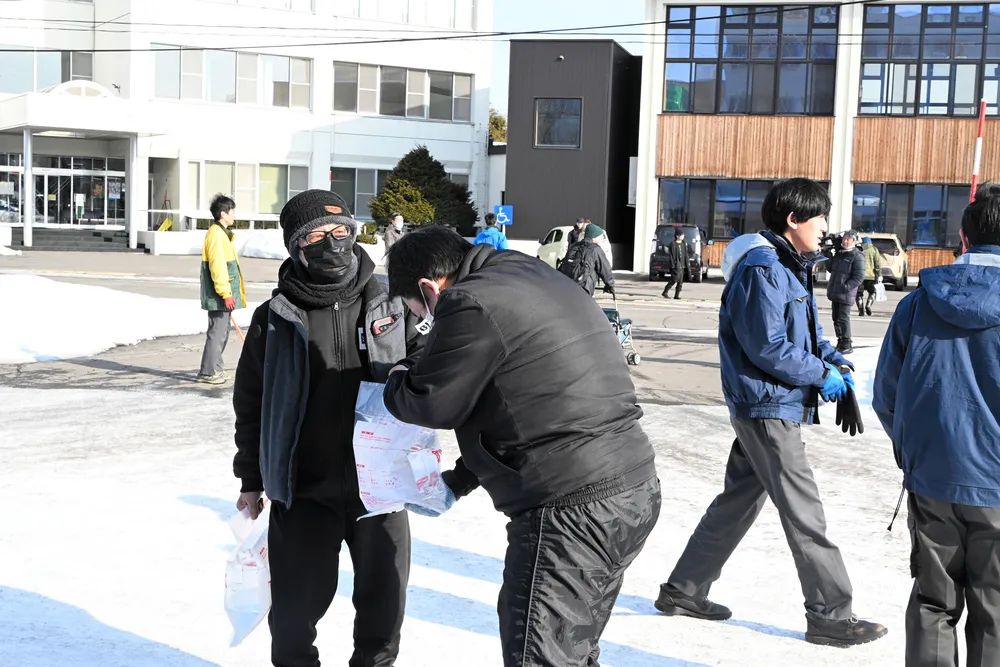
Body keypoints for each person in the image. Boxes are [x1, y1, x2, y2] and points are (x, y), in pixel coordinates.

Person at [381, 227, 660, 667]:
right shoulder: (528, 274)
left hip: (571, 510)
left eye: (417, 312)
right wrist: (459, 479)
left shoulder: (467, 301)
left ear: (428, 289)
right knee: (571, 649)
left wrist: (398, 375)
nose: (423, 324)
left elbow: (433, 402)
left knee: (542, 656)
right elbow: (523, 398)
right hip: (628, 487)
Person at [655, 178, 887, 648]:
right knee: (804, 510)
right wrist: (820, 375)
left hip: (767, 403)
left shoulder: (789, 263)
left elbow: (804, 333)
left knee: (739, 500)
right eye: (819, 217)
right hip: (766, 406)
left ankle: (684, 590)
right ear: (793, 220)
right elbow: (767, 345)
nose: (826, 227)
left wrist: (832, 358)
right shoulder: (764, 268)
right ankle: (830, 614)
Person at [232, 190, 423, 667]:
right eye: (317, 235)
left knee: (383, 617)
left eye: (341, 233)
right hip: (304, 492)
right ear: (296, 246)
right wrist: (251, 479)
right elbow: (251, 404)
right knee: (293, 622)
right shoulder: (274, 318)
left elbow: (433, 374)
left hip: (379, 491)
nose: (332, 244)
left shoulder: (393, 304)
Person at [873, 183, 1000, 667]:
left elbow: (887, 394)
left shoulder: (917, 303)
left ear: (964, 239)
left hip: (932, 478)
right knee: (996, 607)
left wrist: (915, 455)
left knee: (932, 601)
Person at [197, 194, 246, 385]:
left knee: (222, 332)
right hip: (219, 294)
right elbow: (218, 266)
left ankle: (215, 368)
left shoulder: (222, 233)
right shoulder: (216, 235)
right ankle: (208, 372)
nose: (234, 215)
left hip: (223, 293)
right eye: (232, 211)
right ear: (223, 213)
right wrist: (225, 293)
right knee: (217, 333)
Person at [825, 230, 865, 354]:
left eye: (848, 239)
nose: (845, 241)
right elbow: (831, 269)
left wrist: (845, 287)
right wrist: (828, 255)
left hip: (845, 292)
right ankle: (840, 341)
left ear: (855, 241)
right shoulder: (840, 253)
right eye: (844, 239)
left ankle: (847, 343)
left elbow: (858, 277)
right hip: (835, 291)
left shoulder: (857, 255)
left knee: (843, 318)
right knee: (836, 318)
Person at [559, 223, 615, 297]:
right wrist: (610, 285)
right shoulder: (595, 249)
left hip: (568, 285)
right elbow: (605, 269)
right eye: (600, 237)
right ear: (594, 236)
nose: (601, 239)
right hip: (584, 287)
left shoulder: (574, 246)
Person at [857, 236, 883, 317]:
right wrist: (879, 274)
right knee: (872, 292)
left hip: (859, 275)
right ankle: (868, 305)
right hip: (871, 275)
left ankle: (861, 310)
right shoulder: (874, 249)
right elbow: (877, 263)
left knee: (858, 294)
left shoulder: (858, 249)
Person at [661, 227, 689, 300]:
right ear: (677, 236)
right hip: (676, 265)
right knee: (674, 279)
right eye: (681, 235)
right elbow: (672, 256)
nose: (683, 236)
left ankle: (677, 295)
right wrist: (673, 265)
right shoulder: (673, 244)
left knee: (680, 281)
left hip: (682, 265)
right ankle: (665, 291)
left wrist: (687, 265)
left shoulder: (683, 243)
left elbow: (685, 255)